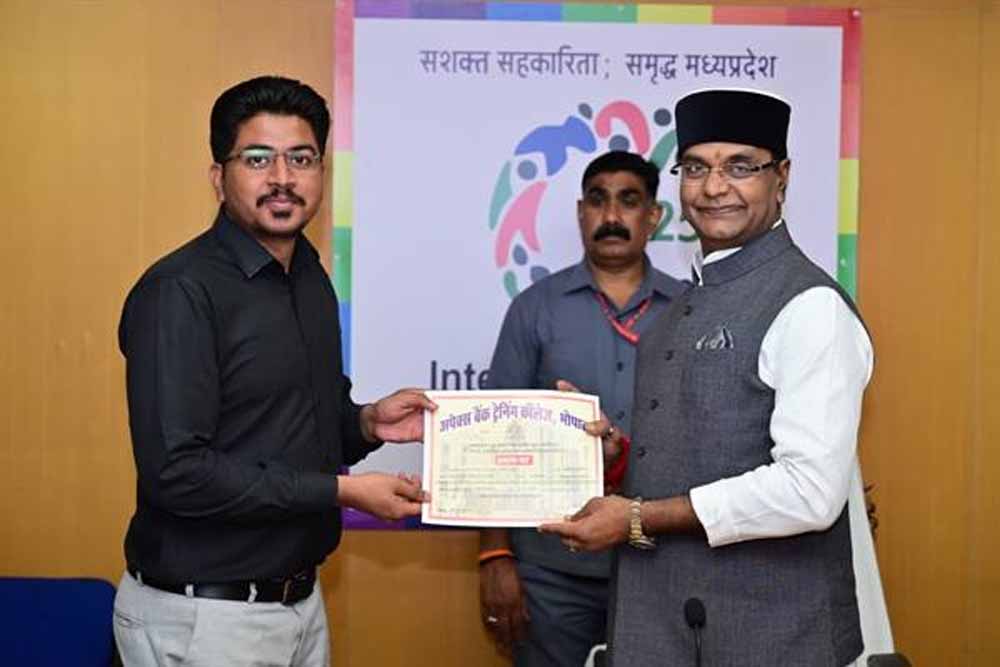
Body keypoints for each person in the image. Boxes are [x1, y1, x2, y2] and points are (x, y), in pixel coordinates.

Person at [541, 89, 873, 667]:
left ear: (782, 177)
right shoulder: (679, 309)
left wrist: (639, 517)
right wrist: (617, 456)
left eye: (740, 167)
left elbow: (810, 492)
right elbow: (697, 451)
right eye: (696, 168)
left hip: (770, 640)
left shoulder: (811, 306)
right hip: (664, 627)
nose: (714, 187)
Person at [113, 76, 434, 667]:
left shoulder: (308, 276)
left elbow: (296, 427)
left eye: (301, 159)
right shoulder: (179, 292)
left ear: (321, 173)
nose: (283, 178)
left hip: (300, 605)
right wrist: (341, 491)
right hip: (205, 618)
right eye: (258, 159)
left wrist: (367, 423)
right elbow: (177, 474)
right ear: (219, 177)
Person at [480, 151, 686, 666]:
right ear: (580, 212)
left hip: (659, 561)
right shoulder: (535, 309)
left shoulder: (689, 310)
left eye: (629, 201)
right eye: (598, 200)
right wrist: (495, 555)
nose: (611, 216)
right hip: (552, 570)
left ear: (654, 216)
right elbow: (493, 442)